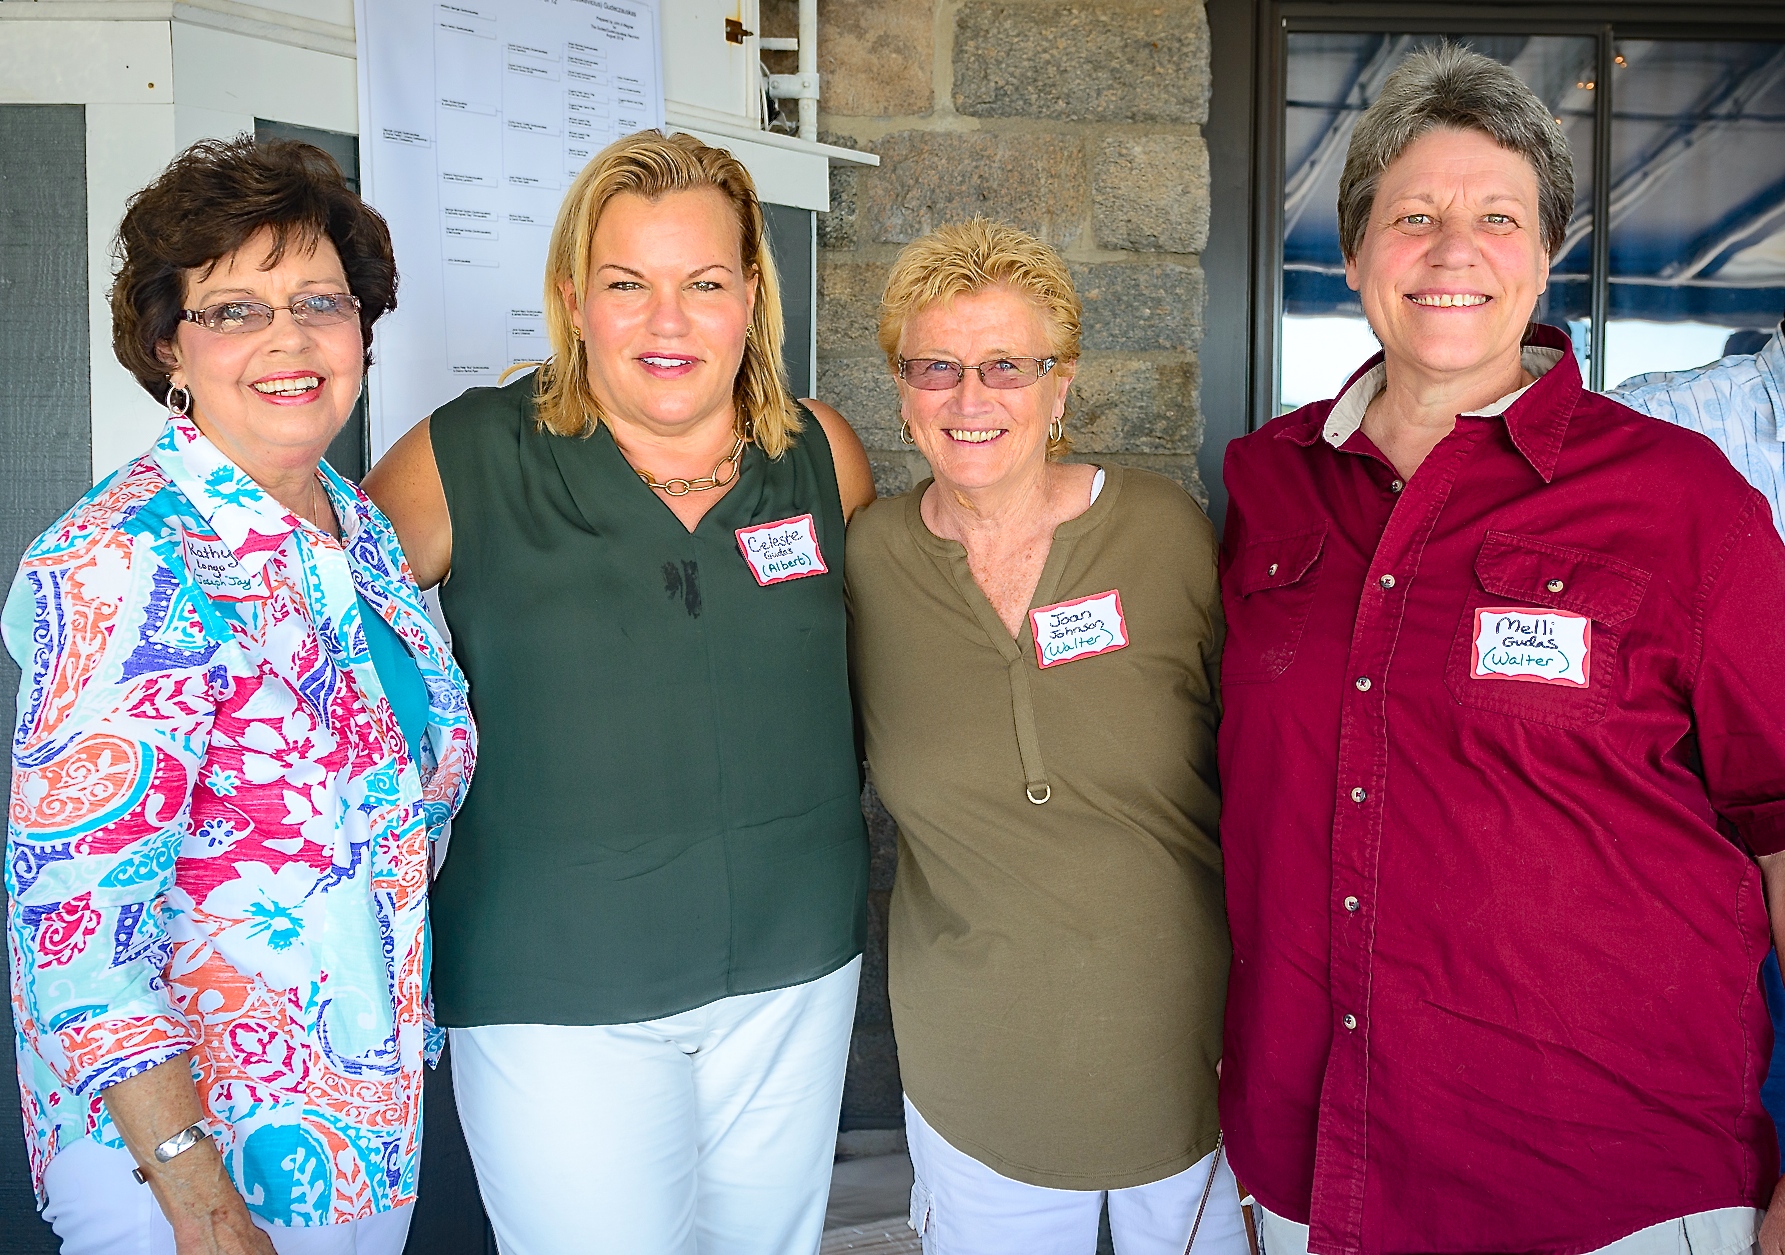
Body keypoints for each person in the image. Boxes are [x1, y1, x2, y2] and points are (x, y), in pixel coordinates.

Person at [1217, 44, 1785, 1255]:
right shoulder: (1271, 484)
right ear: (1356, 250)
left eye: (1497, 217)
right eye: (1413, 215)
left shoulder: (1683, 502)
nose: (1452, 249)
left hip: (1605, 1186)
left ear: (1547, 255)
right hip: (1316, 1165)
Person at [363, 129, 874, 1255]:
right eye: (627, 284)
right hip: (557, 986)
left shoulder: (822, 458)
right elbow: (320, 662)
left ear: (752, 296)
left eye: (704, 283)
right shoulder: (466, 457)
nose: (668, 320)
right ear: (572, 299)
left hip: (794, 972)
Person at [4, 136, 476, 1255]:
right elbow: (74, 929)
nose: (288, 338)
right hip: (179, 1167)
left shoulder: (357, 532)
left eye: (319, 299)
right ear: (170, 343)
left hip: (358, 1127)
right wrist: (200, 1203)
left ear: (361, 326)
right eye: (232, 309)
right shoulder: (124, 558)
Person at [845, 218, 1243, 1255]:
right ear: (900, 387)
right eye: (936, 366)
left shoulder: (1166, 536)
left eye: (1007, 366)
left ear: (1061, 385)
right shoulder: (871, 561)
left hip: (1187, 1051)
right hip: (978, 1073)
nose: (969, 399)